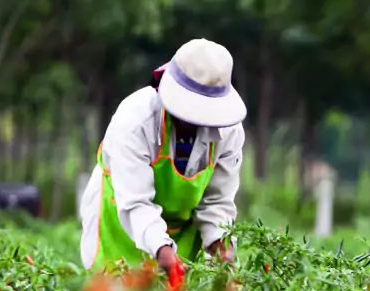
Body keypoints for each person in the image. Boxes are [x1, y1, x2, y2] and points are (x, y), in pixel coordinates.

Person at [79, 38, 246, 274]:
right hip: (119, 223)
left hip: (183, 232)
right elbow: (136, 202)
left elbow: (217, 203)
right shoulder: (136, 119)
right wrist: (163, 250)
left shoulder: (228, 130)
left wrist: (223, 249)